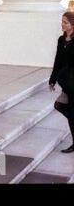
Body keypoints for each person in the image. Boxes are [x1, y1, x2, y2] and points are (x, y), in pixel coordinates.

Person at [49, 11, 74, 153]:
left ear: (73, 25)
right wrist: (52, 79)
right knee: (59, 105)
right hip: (66, 82)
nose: (62, 24)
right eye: (62, 21)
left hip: (73, 82)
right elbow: (57, 60)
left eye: (65, 22)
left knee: (68, 110)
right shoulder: (61, 39)